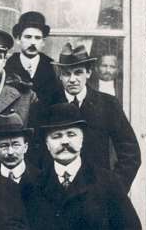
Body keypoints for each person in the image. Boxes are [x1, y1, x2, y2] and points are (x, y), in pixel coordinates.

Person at [46, 43, 140, 190]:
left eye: (78, 72)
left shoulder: (108, 104)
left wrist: (114, 187)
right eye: (66, 73)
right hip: (58, 192)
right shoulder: (45, 106)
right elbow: (34, 154)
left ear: (88, 73)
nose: (72, 79)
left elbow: (130, 153)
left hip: (97, 192)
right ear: (60, 75)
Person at [5, 11, 62, 103]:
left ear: (43, 42)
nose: (33, 42)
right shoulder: (7, 66)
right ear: (18, 39)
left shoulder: (53, 67)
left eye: (37, 38)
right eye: (28, 37)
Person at [0, 113, 38, 184]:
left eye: (16, 145)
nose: (10, 152)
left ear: (25, 147)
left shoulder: (41, 178)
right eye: (4, 146)